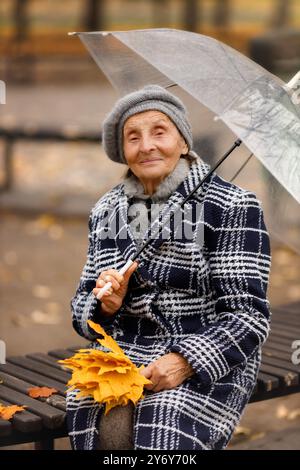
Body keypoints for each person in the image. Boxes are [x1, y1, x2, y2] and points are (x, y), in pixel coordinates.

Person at [66, 85, 271, 450]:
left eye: (159, 131)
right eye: (133, 137)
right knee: (91, 413)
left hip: (208, 351)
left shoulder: (233, 206)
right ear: (122, 151)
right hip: (126, 353)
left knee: (165, 418)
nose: (146, 145)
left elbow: (248, 317)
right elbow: (81, 307)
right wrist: (104, 305)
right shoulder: (106, 211)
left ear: (182, 141)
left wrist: (185, 360)